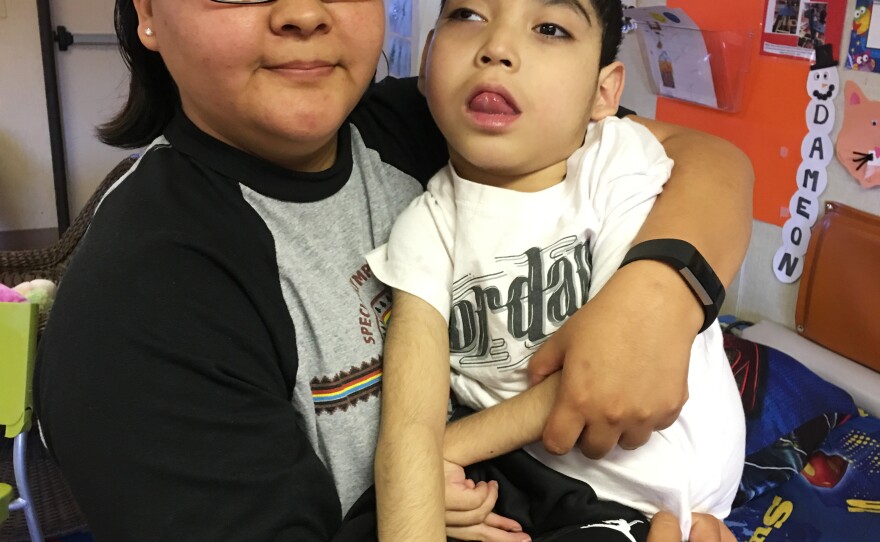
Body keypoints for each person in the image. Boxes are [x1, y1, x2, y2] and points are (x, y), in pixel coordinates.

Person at [33, 0, 752, 541]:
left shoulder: (434, 121)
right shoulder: (138, 305)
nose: (304, 13)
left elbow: (703, 159)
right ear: (149, 14)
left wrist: (658, 295)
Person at [368, 1, 744, 541]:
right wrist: (420, 473)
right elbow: (408, 422)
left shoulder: (620, 166)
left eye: (549, 28)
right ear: (426, 62)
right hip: (528, 481)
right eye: (469, 15)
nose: (496, 48)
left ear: (604, 93)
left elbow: (608, 373)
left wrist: (440, 453)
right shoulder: (423, 228)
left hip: (643, 495)